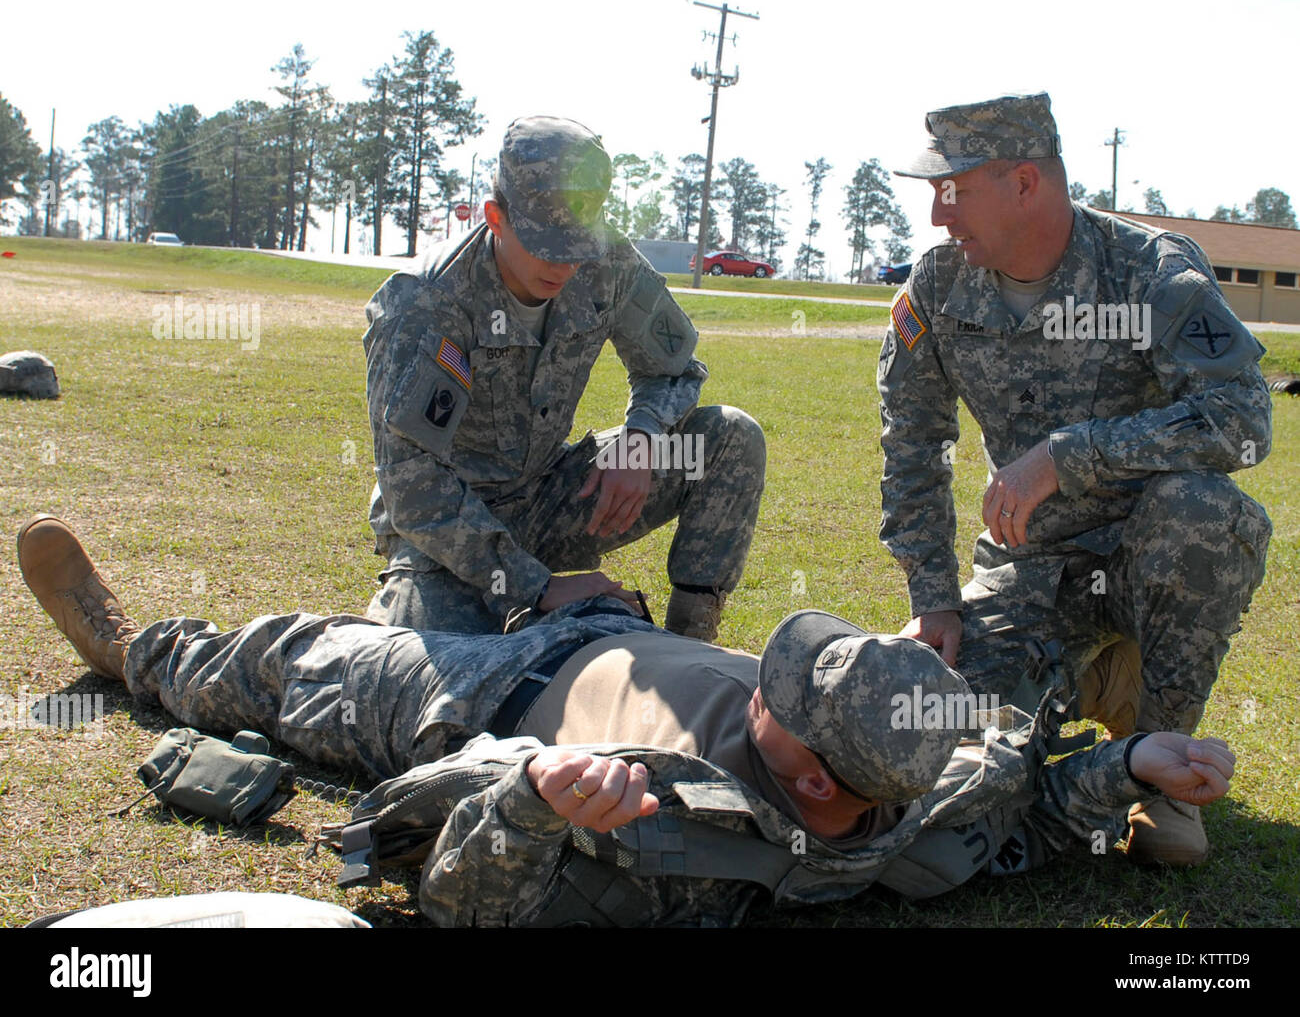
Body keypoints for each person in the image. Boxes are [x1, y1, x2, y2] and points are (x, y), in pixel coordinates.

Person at [18, 514, 1236, 927]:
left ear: (815, 790)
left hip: (480, 704)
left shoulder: (672, 848)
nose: (768, 678)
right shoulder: (914, 788)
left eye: (786, 700)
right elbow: (1007, 815)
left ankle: (136, 654)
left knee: (293, 662)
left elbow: (456, 907)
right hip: (593, 623)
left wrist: (528, 810)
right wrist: (1130, 763)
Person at [880, 92, 1271, 866]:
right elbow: (913, 446)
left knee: (1204, 513)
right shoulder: (938, 286)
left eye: (952, 192)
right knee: (934, 760)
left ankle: (1164, 771)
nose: (937, 217)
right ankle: (1093, 680)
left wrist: (1069, 453)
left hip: (1142, 558)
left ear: (1025, 183)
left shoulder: (1149, 270)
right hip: (1031, 570)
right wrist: (931, 597)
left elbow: (1244, 418)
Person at [362, 115, 765, 642]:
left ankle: (690, 648)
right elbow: (413, 489)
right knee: (429, 671)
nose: (563, 264)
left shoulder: (607, 261)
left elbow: (675, 368)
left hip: (552, 498)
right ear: (495, 217)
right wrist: (538, 587)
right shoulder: (424, 304)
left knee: (729, 437)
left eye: (576, 244)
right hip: (452, 530)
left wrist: (640, 441)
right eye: (544, 244)